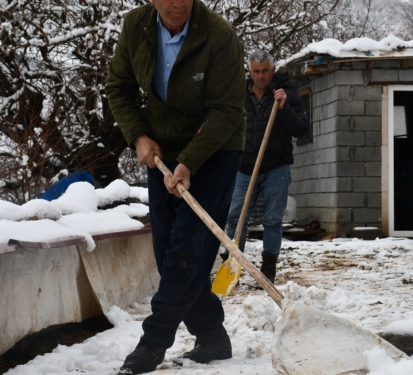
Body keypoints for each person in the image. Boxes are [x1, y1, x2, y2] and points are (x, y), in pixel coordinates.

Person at [105, 0, 245, 373]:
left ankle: (153, 343)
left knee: (187, 250)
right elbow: (118, 85)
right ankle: (212, 337)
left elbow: (229, 110)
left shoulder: (218, 36)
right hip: (162, 151)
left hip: (214, 149)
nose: (177, 2)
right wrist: (138, 135)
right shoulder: (136, 27)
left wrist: (190, 162)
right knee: (169, 250)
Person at [224, 50, 310, 283]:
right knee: (235, 218)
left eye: (265, 71)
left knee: (272, 220)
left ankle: (268, 267)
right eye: (256, 71)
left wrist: (284, 107)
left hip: (276, 167)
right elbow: (225, 126)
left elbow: (301, 129)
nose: (261, 76)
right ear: (249, 72)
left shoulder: (287, 93)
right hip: (244, 167)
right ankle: (232, 263)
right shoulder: (239, 95)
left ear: (272, 70)